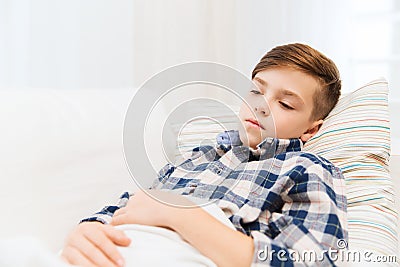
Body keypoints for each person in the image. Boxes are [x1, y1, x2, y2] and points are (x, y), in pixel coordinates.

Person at [61, 43, 347, 267]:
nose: (262, 106)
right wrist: (88, 229)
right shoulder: (198, 157)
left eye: (285, 104)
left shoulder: (308, 169)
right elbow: (134, 204)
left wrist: (180, 214)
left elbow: (315, 260)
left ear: (311, 129)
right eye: (255, 91)